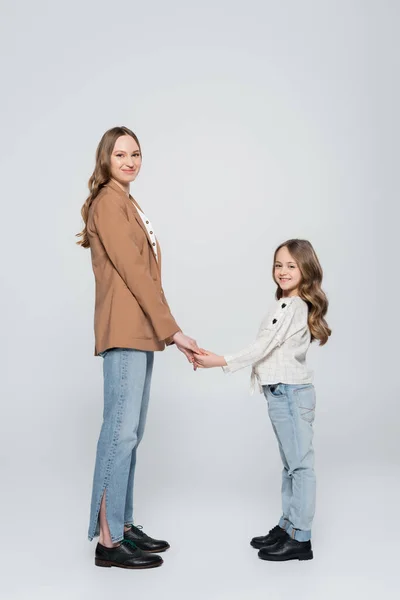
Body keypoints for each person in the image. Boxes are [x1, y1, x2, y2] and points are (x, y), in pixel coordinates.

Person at [76, 126, 200, 569]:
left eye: (136, 154)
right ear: (106, 158)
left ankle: (123, 526)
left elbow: (146, 276)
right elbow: (134, 273)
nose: (129, 161)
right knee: (119, 434)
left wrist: (163, 329)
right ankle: (108, 543)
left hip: (139, 329)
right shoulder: (109, 203)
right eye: (121, 154)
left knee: (131, 434)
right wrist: (175, 332)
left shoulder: (125, 201)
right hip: (125, 329)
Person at [193, 239, 331, 562]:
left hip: (291, 392)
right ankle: (287, 526)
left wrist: (220, 360)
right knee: (289, 466)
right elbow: (266, 347)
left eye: (291, 266)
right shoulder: (283, 303)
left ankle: (300, 537)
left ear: (305, 270)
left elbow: (262, 348)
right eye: (278, 265)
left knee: (300, 465)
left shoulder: (295, 307)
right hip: (280, 391)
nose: (282, 271)